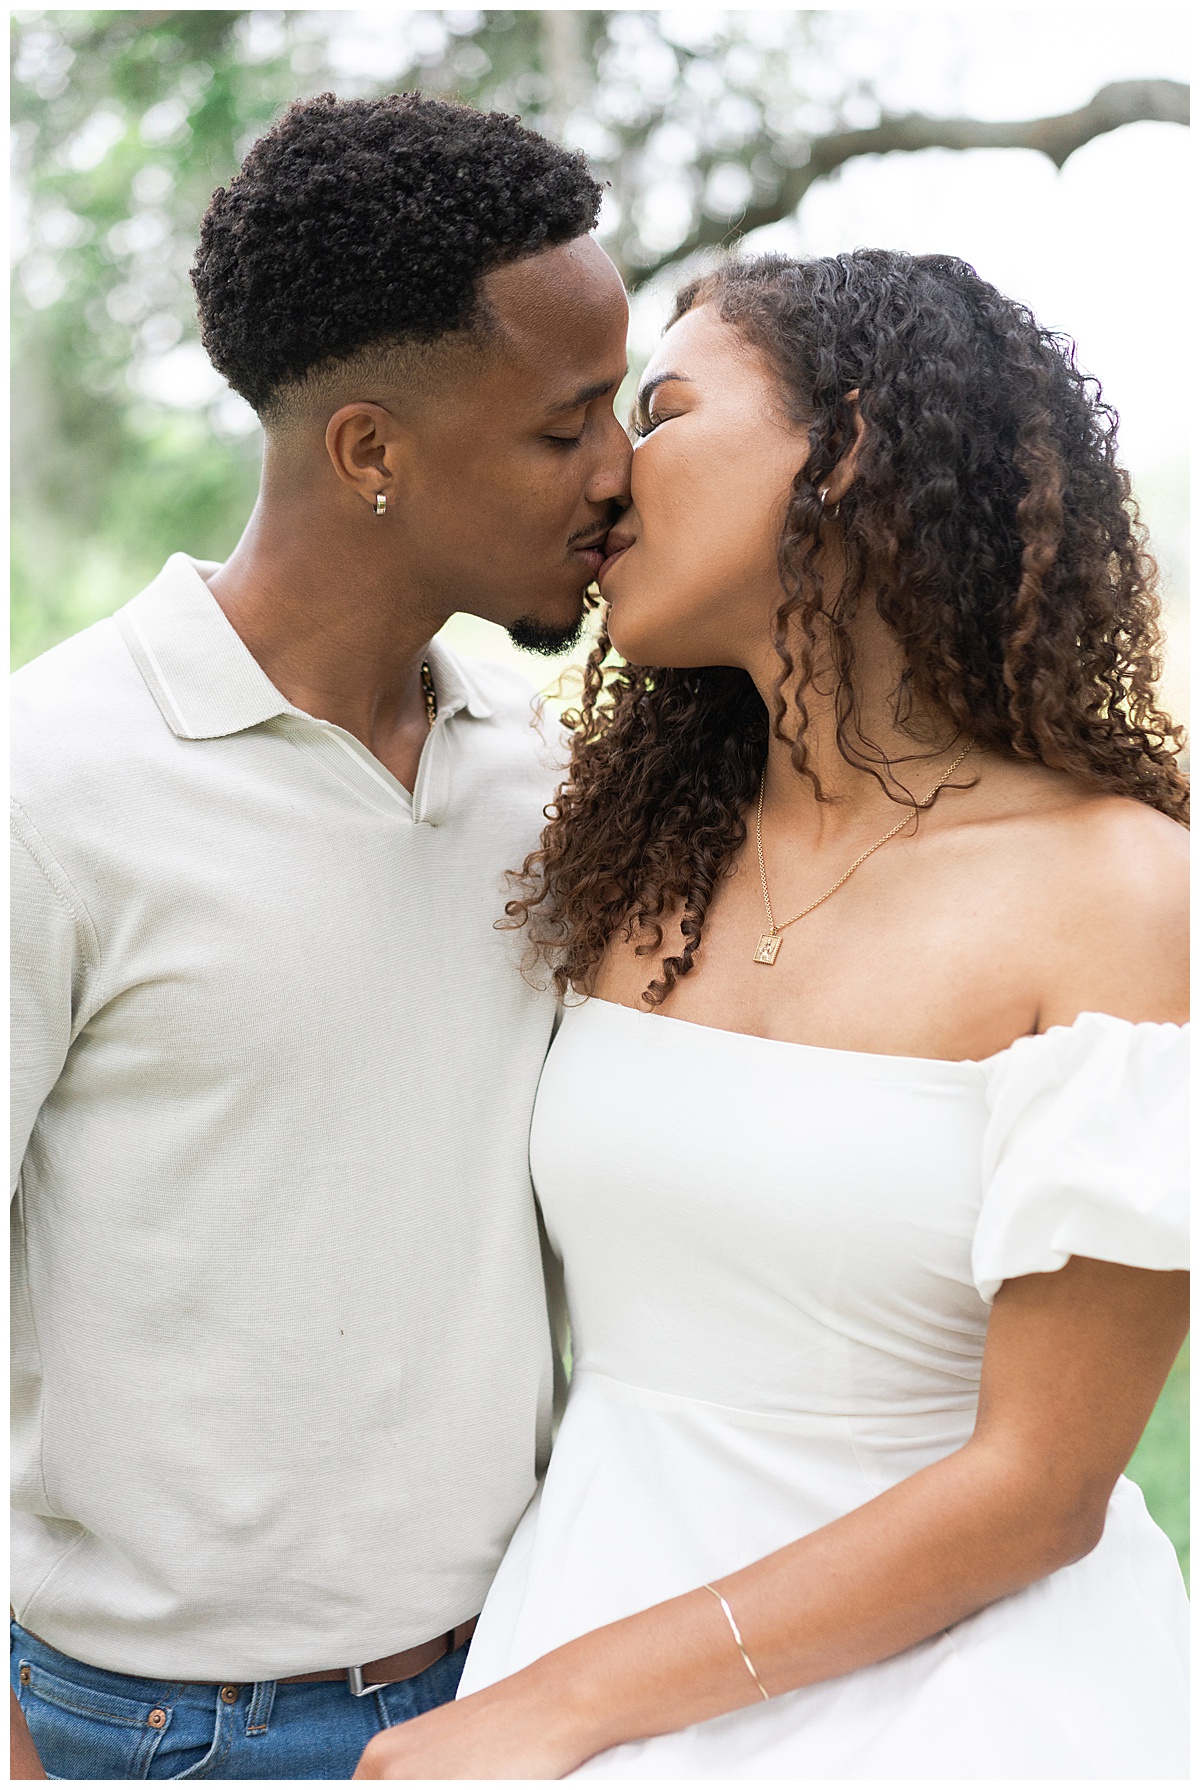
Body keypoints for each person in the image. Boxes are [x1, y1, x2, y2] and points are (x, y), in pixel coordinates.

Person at [353, 250, 1189, 1781]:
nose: (604, 477)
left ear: (853, 448)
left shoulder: (1119, 891)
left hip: (954, 1704)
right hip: (571, 1624)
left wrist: (568, 1701)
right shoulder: (617, 848)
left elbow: (1044, 1484)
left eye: (658, 410)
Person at [10, 92, 630, 1780]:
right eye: (564, 428)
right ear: (370, 452)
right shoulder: (47, 783)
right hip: (156, 1735)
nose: (618, 474)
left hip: (515, 1692)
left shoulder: (541, 771)